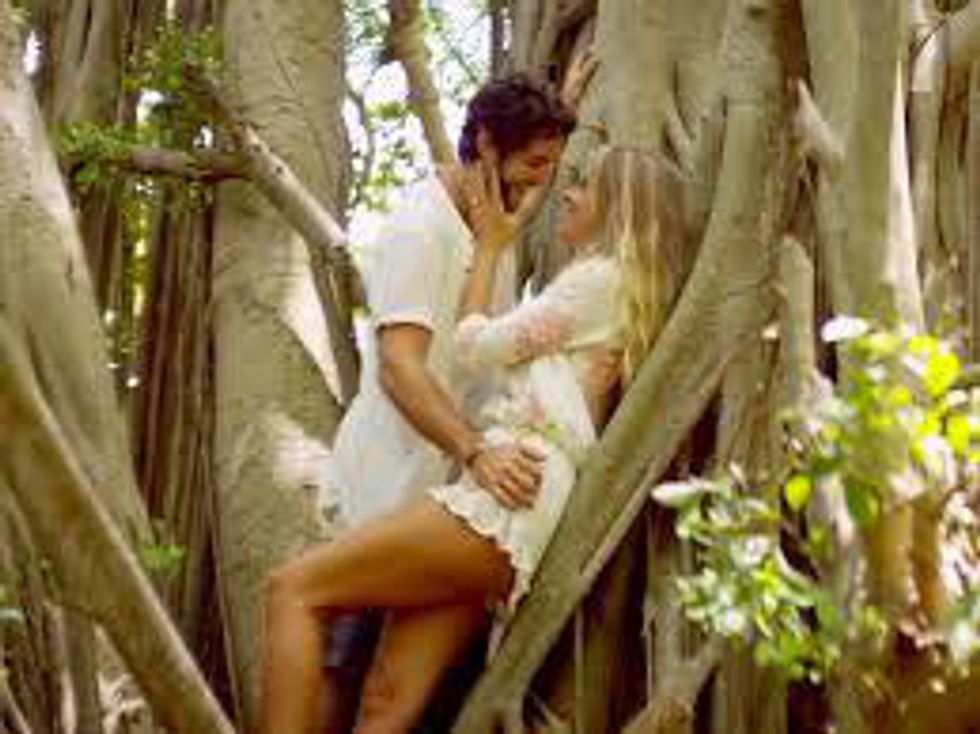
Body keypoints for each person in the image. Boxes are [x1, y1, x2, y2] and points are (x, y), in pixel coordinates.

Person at [259, 146, 690, 734]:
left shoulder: (598, 280)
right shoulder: (616, 287)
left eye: (586, 187)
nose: (566, 195)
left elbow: (475, 347)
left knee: (293, 589)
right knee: (389, 699)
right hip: (520, 494)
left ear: (619, 208)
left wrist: (490, 248)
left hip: (507, 493)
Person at [315, 69, 591, 732]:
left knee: (420, 697)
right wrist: (476, 452)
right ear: (487, 146)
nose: (543, 183)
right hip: (389, 489)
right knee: (349, 675)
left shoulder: (493, 223)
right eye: (533, 163)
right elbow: (399, 368)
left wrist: (562, 103)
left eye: (552, 166)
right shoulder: (423, 227)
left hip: (456, 499)